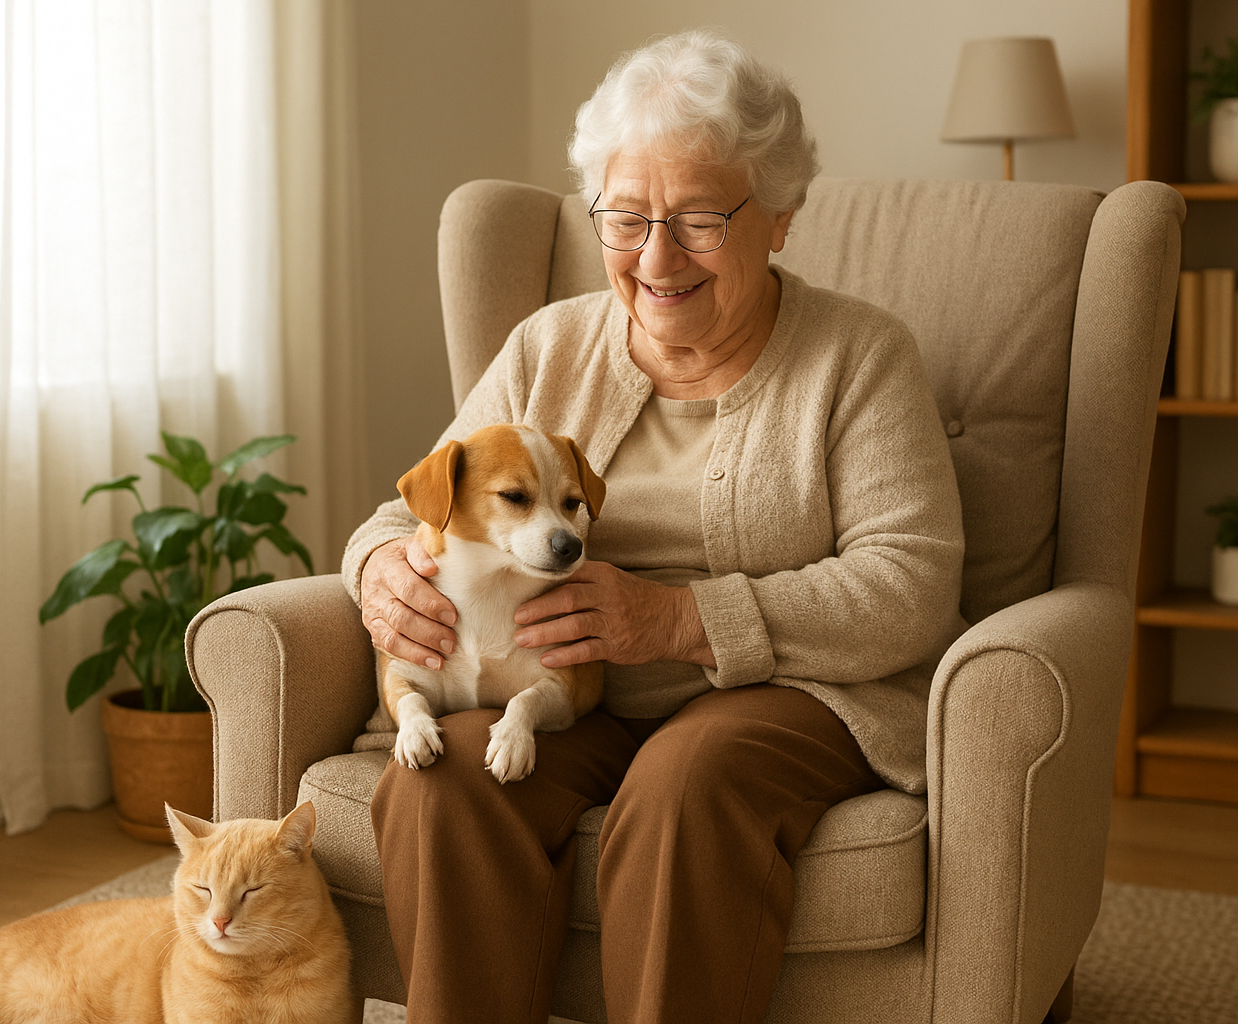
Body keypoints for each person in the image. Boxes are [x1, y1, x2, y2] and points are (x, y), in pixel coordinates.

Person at [342, 29, 965, 1024]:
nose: (657, 257)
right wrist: (379, 568)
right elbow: (409, 505)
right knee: (447, 781)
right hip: (567, 697)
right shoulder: (549, 347)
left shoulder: (861, 357)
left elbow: (911, 585)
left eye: (700, 220)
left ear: (780, 217)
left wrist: (680, 621)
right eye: (626, 218)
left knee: (687, 785)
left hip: (782, 695)